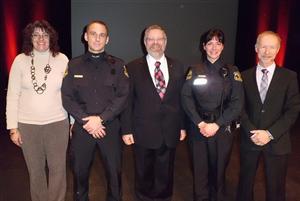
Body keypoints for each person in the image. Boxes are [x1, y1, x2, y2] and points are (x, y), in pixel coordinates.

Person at [61, 20, 129, 201]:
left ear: (107, 39)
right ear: (85, 37)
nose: (97, 38)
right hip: (83, 129)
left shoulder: (118, 64)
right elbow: (67, 97)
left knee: (114, 176)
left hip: (110, 128)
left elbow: (123, 96)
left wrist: (101, 119)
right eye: (93, 34)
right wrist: (86, 120)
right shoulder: (74, 65)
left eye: (102, 35)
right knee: (79, 175)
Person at [121, 24, 186, 201]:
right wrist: (126, 130)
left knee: (166, 173)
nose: (155, 43)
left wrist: (182, 126)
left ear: (165, 42)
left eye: (159, 39)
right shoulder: (132, 67)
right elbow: (127, 102)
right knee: (144, 174)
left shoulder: (178, 66)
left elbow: (181, 99)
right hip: (143, 131)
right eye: (151, 39)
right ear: (144, 42)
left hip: (170, 130)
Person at [6, 20, 69, 201]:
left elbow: (70, 94)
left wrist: (72, 123)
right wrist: (13, 127)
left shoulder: (62, 59)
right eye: (36, 35)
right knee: (35, 171)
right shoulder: (20, 60)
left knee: (58, 170)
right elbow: (12, 95)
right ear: (30, 38)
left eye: (45, 35)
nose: (41, 39)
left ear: (51, 38)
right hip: (28, 126)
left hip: (57, 124)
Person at [237, 31, 300, 201]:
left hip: (278, 142)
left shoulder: (289, 77)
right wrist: (253, 132)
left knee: (276, 188)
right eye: (263, 46)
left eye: (272, 47)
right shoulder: (243, 76)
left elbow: (293, 110)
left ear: (278, 49)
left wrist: (269, 133)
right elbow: (239, 108)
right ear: (256, 48)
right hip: (250, 140)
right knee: (244, 186)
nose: (267, 51)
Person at [181, 28, 243, 201]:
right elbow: (186, 98)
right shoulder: (195, 69)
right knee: (199, 171)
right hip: (198, 128)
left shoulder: (232, 71)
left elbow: (237, 103)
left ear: (223, 47)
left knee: (219, 171)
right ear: (203, 46)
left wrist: (217, 124)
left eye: (218, 43)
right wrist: (200, 123)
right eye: (210, 43)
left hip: (222, 129)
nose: (214, 47)